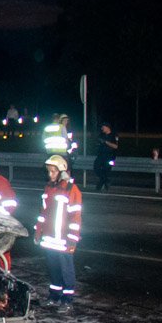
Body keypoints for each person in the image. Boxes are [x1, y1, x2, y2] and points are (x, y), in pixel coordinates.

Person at [35, 154, 82, 308]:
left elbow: (75, 217)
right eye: (49, 171)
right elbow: (43, 213)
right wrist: (38, 231)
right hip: (49, 239)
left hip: (63, 240)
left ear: (61, 171)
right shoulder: (49, 188)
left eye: (53, 171)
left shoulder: (71, 189)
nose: (50, 174)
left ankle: (67, 300)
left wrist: (72, 239)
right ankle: (54, 296)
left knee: (66, 271)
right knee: (53, 269)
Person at [92, 122, 119, 192]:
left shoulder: (114, 135)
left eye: (103, 127)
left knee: (106, 171)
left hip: (110, 156)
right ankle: (106, 180)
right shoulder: (101, 135)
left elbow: (116, 146)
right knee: (96, 168)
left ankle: (100, 186)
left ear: (107, 127)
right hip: (101, 155)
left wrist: (106, 142)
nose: (102, 128)